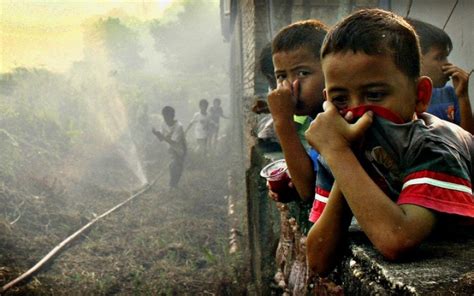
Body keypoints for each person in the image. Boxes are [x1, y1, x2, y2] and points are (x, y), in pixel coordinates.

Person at [304, 8, 473, 276]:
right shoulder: (339, 151)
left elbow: (397, 240)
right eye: (339, 100)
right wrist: (345, 157)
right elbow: (318, 261)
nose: (356, 112)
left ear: (420, 95)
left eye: (375, 94)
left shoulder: (434, 146)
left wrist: (340, 153)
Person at [266, 20, 328, 209]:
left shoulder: (335, 120)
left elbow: (308, 191)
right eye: (282, 76)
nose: (291, 86)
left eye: (302, 73)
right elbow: (312, 181)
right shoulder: (316, 119)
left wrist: (282, 122)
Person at [405, 18, 474, 133]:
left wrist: (463, 96)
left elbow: (469, 142)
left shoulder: (450, 94)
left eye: (446, 56)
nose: (447, 64)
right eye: (439, 57)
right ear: (416, 59)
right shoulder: (401, 99)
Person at [152, 106, 187, 189]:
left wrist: (162, 136)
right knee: (173, 166)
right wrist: (156, 134)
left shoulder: (179, 126)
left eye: (168, 117)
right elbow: (161, 139)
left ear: (172, 116)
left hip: (180, 149)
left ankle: (174, 184)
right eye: (164, 117)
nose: (166, 120)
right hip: (171, 149)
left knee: (177, 166)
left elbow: (174, 141)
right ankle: (173, 185)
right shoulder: (163, 123)